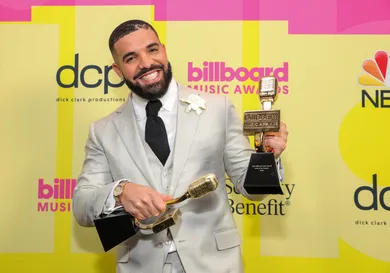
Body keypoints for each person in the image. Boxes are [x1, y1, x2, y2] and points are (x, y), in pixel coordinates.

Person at [72, 19, 288, 273]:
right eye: (131, 58)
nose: (146, 63)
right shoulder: (103, 130)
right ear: (118, 71)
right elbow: (82, 205)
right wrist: (121, 192)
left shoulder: (218, 108)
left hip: (214, 264)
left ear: (163, 50)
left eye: (152, 50)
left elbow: (251, 189)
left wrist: (267, 156)